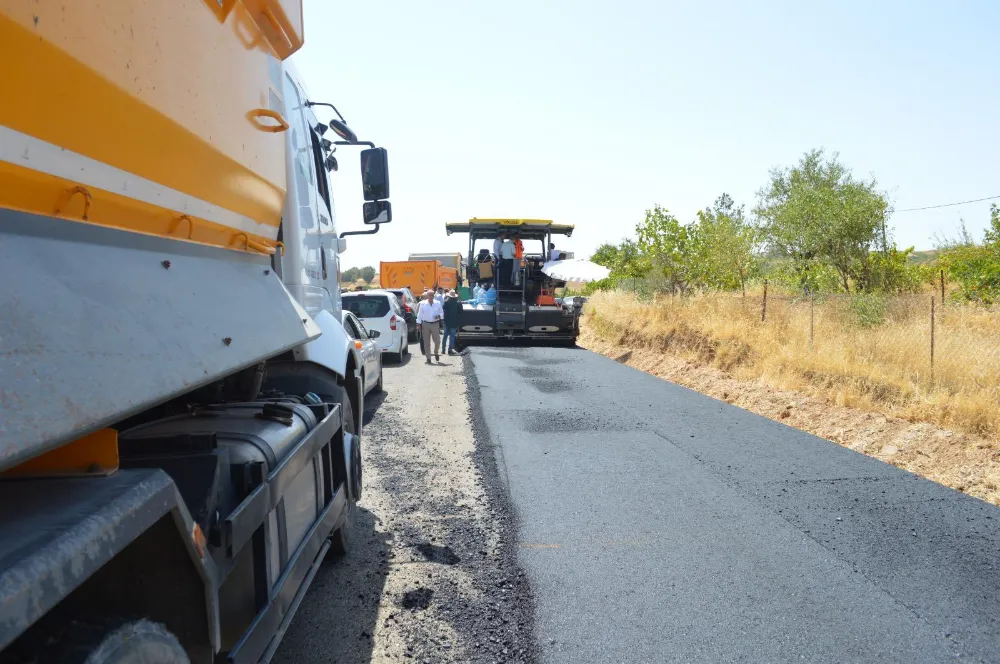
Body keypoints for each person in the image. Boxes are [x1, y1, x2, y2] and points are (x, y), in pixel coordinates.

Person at [415, 289, 443, 363]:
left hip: (435, 324)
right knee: (426, 342)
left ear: (434, 296)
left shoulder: (438, 303)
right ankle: (428, 358)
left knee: (437, 341)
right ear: (427, 296)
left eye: (432, 295)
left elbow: (442, 314)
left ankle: (436, 352)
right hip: (425, 324)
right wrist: (418, 324)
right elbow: (419, 315)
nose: (431, 296)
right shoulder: (423, 304)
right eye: (429, 295)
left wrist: (439, 316)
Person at [441, 289, 461, 355]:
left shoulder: (446, 302)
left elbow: (443, 310)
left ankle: (443, 350)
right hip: (454, 321)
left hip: (446, 322)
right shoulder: (458, 302)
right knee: (452, 337)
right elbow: (460, 311)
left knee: (445, 336)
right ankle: (450, 350)